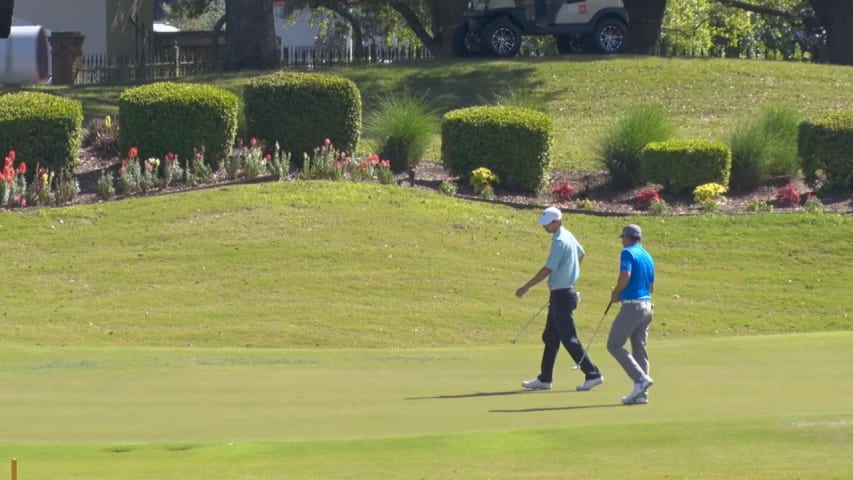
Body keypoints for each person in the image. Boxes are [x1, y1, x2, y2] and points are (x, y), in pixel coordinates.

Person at [516, 206, 604, 391]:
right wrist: (571, 274)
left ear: (558, 222)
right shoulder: (567, 235)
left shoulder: (560, 241)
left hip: (563, 295)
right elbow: (581, 253)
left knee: (568, 338)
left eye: (548, 224)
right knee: (550, 337)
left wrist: (526, 287)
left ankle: (592, 373)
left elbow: (548, 268)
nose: (544, 227)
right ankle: (545, 378)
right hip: (561, 292)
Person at [607, 224, 655, 405]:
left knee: (614, 345)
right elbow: (651, 286)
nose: (622, 241)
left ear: (627, 238)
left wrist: (616, 293)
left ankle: (640, 379)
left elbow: (625, 276)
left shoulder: (628, 253)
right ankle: (641, 394)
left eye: (623, 238)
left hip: (633, 307)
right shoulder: (647, 256)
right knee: (639, 349)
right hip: (647, 306)